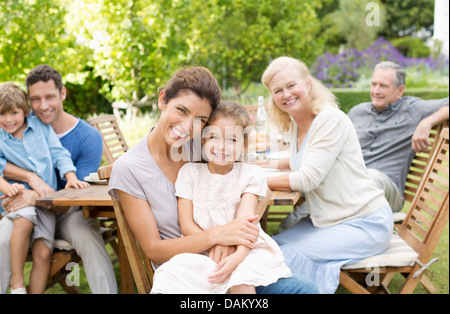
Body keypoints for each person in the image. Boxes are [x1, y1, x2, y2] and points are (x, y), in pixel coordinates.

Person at [108, 66, 319, 294]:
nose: (187, 126)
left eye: (200, 119)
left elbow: (257, 188)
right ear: (162, 100)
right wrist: (217, 236)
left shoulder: (203, 144)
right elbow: (154, 250)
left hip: (231, 262)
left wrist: (235, 241)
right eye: (181, 110)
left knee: (305, 289)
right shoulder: (129, 168)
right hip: (188, 275)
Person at [258, 56, 393, 294]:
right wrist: (253, 163)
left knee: (282, 256)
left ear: (308, 84)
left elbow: (306, 178)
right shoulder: (298, 124)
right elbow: (295, 160)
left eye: (291, 85)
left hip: (364, 223)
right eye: (277, 90)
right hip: (329, 221)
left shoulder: (329, 119)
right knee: (270, 247)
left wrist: (251, 177)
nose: (285, 94)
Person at [150, 101, 292, 294]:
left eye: (232, 140)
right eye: (214, 137)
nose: (222, 147)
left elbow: (246, 224)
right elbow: (186, 224)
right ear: (204, 141)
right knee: (168, 274)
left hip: (244, 249)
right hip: (201, 249)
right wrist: (216, 243)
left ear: (245, 144)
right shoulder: (189, 173)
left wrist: (237, 256)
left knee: (242, 280)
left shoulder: (250, 174)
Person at [0, 65, 118, 294]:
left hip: (68, 212)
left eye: (50, 97)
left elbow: (77, 194)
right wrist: (29, 177)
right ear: (28, 102)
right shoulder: (16, 120)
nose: (42, 106)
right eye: (35, 99)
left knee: (89, 238)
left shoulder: (87, 136)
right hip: (21, 209)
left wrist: (36, 196)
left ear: (62, 93)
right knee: (3, 238)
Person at [0, 82, 89, 294]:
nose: (8, 120)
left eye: (14, 113)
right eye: (2, 114)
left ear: (25, 111)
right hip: (19, 200)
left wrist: (70, 176)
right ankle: (17, 284)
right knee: (21, 221)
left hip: (45, 204)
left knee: (43, 254)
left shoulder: (41, 128)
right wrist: (6, 186)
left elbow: (59, 153)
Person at [348, 61, 449, 212]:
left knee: (368, 177)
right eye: (373, 84)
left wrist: (426, 122)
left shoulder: (412, 109)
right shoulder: (357, 112)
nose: (376, 90)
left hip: (388, 189)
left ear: (399, 91)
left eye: (383, 86)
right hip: (351, 182)